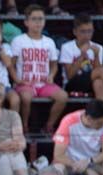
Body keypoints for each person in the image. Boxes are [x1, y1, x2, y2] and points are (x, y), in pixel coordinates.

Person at [60, 14, 103, 130]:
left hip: (90, 81)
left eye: (89, 31)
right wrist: (82, 56)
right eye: (83, 32)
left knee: (99, 83)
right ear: (75, 32)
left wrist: (95, 55)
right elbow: (70, 75)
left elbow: (99, 72)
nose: (87, 35)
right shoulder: (67, 47)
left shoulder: (97, 48)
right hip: (73, 83)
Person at [9, 5, 67, 134]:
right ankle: (24, 125)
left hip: (43, 83)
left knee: (62, 97)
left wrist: (51, 75)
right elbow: (11, 65)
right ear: (26, 22)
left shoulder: (49, 42)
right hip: (25, 83)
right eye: (34, 19)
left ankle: (49, 126)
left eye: (41, 19)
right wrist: (18, 80)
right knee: (26, 97)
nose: (38, 22)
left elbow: (54, 65)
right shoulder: (18, 41)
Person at [52, 100, 103, 175]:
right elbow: (58, 155)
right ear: (89, 118)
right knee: (58, 169)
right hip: (70, 162)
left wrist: (89, 162)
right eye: (99, 123)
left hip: (94, 161)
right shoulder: (68, 121)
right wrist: (85, 169)